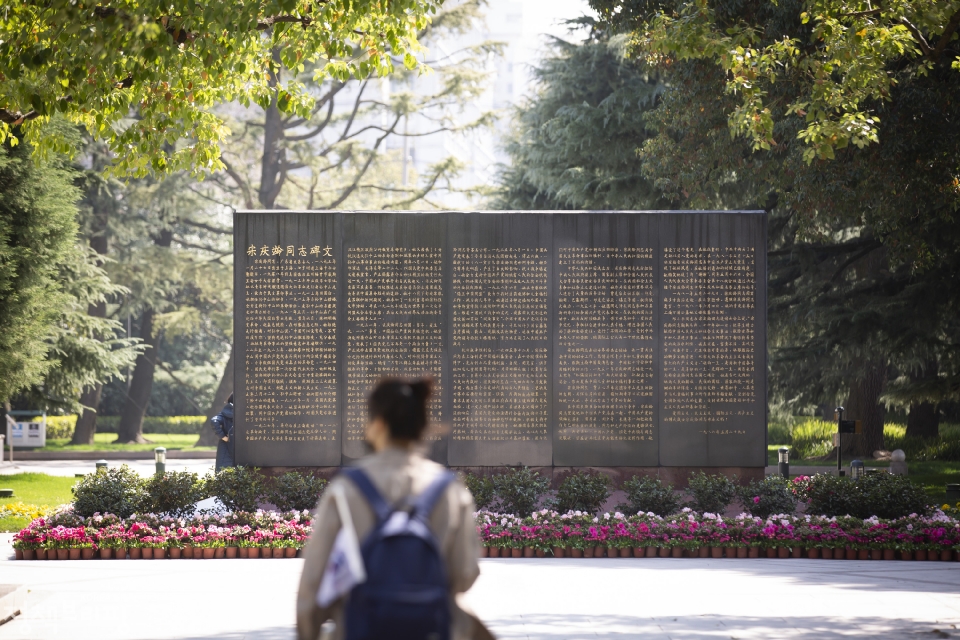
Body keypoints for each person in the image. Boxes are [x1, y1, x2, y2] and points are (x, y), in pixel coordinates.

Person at [297, 378, 492, 640]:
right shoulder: (450, 490)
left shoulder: (345, 490)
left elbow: (313, 584)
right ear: (422, 427)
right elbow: (466, 573)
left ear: (378, 424)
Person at [210, 393, 234, 472]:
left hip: (226, 446)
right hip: (241, 447)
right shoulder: (245, 413)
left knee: (224, 474)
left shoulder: (224, 413)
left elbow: (214, 421)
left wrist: (223, 437)